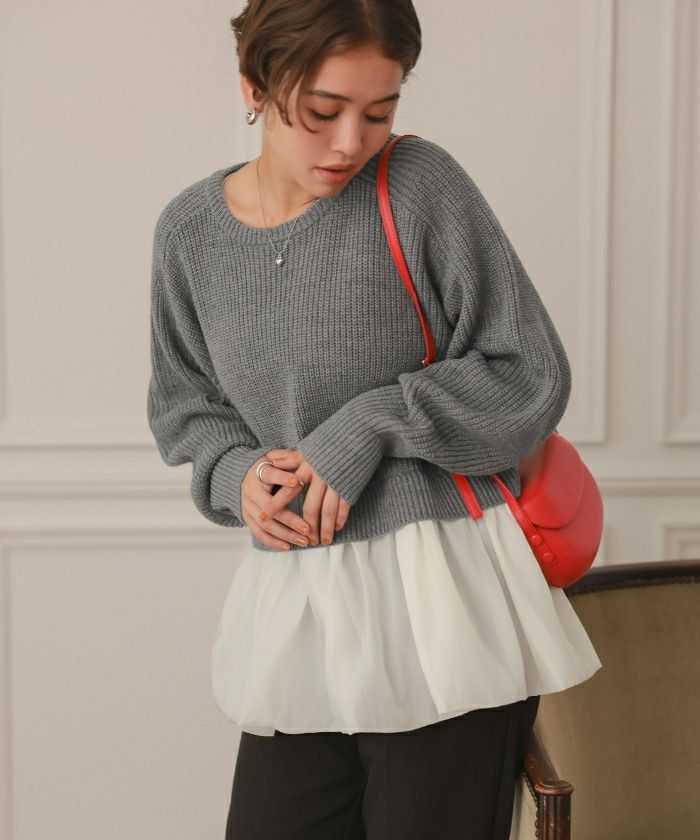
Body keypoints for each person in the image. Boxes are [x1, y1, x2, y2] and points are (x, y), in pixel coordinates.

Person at [146, 1, 603, 837]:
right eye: (322, 112)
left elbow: (530, 373)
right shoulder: (190, 235)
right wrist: (238, 474)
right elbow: (187, 407)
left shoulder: (419, 186)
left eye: (379, 112)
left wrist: (372, 423)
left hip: (446, 604)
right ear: (254, 87)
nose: (350, 143)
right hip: (299, 613)